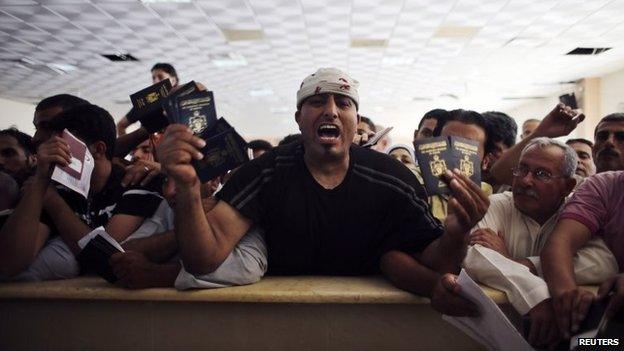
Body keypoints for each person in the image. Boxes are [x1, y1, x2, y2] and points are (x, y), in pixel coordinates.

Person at [157, 68, 489, 303]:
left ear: (356, 122)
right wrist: (187, 188)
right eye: (317, 102)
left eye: (343, 103)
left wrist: (456, 234)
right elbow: (205, 259)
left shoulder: (393, 180)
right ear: (298, 118)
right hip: (276, 325)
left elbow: (435, 263)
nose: (330, 110)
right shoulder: (265, 172)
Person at [462, 138, 617, 347]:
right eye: (521, 170)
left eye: (541, 174)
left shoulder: (579, 214)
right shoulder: (494, 206)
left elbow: (602, 262)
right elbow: (475, 256)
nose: (526, 181)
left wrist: (518, 263)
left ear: (567, 186)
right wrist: (537, 297)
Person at [0, 104, 163, 280]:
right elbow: (10, 263)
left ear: (98, 149)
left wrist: (54, 203)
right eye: (53, 145)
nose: (57, 152)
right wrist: (40, 179)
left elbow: (105, 256)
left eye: (65, 145)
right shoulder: (59, 188)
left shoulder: (134, 181)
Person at [109, 175, 267, 290]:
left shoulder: (236, 201)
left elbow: (248, 266)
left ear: (214, 181)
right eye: (165, 180)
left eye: (183, 181)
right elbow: (126, 251)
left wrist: (156, 274)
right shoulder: (169, 206)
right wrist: (188, 230)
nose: (170, 191)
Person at [541, 170, 624, 339]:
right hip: (611, 327)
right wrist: (567, 298)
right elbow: (561, 242)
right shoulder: (605, 185)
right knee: (592, 344)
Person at [418, 109, 494, 222]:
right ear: (434, 146)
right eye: (449, 143)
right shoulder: (414, 185)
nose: (455, 154)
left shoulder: (491, 200)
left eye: (466, 148)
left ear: (485, 161)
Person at [481, 111, 517, 190]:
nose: (485, 158)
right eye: (481, 148)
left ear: (511, 151)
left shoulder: (518, 188)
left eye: (492, 150)